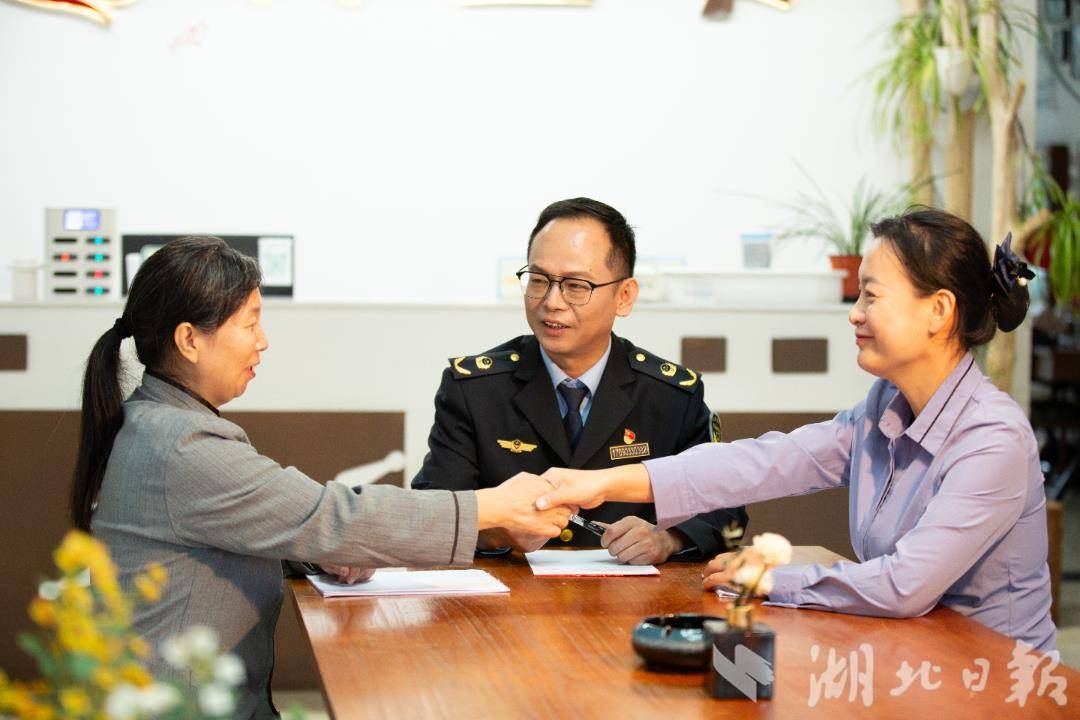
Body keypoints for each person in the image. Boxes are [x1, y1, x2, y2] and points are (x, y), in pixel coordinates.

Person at [75, 237, 573, 719]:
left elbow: (251, 532)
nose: (263, 341)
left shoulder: (160, 423)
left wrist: (314, 550)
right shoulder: (185, 446)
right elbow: (332, 516)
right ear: (189, 340)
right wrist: (495, 506)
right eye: (250, 323)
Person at [535, 208, 1057, 652]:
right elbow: (766, 462)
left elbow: (905, 585)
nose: (855, 315)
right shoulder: (885, 407)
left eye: (871, 296)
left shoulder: (993, 440)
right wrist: (602, 482)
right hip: (912, 656)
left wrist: (768, 578)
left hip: (994, 681)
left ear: (938, 310)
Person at [412, 198, 745, 564]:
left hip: (631, 595)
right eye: (539, 280)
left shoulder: (670, 396)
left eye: (575, 285)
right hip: (510, 590)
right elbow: (433, 512)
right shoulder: (474, 390)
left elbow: (726, 505)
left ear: (624, 296)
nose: (552, 301)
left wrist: (670, 538)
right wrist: (498, 531)